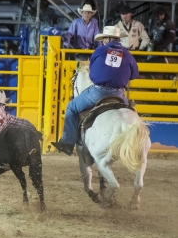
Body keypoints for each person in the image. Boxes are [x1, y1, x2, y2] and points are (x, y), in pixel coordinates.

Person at [52, 26, 139, 156]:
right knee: (132, 114)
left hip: (98, 92)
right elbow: (134, 75)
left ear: (108, 38)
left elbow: (92, 70)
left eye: (104, 39)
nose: (103, 41)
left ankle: (68, 143)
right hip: (119, 94)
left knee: (71, 107)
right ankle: (135, 145)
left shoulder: (100, 50)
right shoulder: (127, 54)